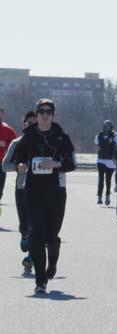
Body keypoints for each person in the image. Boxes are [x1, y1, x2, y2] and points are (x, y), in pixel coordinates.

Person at [13, 99, 76, 294]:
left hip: (55, 192)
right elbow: (19, 159)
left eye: (49, 111)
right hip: (33, 191)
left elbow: (72, 163)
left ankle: (53, 256)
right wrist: (20, 166)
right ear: (37, 114)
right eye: (41, 111)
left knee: (51, 235)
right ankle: (40, 280)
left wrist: (56, 165)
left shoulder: (61, 136)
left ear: (53, 115)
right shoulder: (29, 136)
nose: (45, 114)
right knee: (36, 236)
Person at [2, 110, 36, 273]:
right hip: (22, 188)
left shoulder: (46, 143)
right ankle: (24, 235)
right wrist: (17, 167)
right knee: (25, 225)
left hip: (42, 190)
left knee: (37, 225)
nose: (32, 126)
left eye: (35, 123)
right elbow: (4, 165)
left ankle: (30, 257)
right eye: (29, 123)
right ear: (24, 125)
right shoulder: (17, 143)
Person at [0, 106, 18, 207]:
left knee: (1, 182)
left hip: (2, 161)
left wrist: (5, 144)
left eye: (0, 113)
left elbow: (15, 144)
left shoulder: (7, 129)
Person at [95, 120, 116, 205]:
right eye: (105, 126)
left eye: (109, 126)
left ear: (111, 127)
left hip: (110, 161)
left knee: (108, 180)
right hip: (101, 160)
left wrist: (112, 142)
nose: (107, 127)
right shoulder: (98, 136)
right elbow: (98, 146)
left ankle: (107, 196)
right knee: (101, 179)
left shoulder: (115, 136)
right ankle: (99, 196)